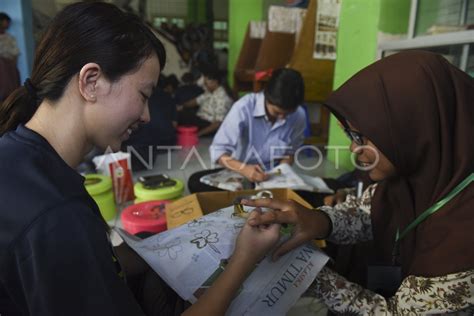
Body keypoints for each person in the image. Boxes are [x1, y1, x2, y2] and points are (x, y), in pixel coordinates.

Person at [0, 3, 280, 315]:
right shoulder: (57, 216)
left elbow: (77, 265)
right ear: (91, 82)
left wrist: (170, 245)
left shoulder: (16, 155)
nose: (147, 116)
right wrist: (242, 260)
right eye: (144, 95)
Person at [242, 51, 474, 314]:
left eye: (362, 137)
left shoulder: (465, 236)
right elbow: (367, 212)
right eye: (351, 135)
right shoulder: (418, 174)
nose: (353, 148)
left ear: (414, 128)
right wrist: (318, 220)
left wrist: (307, 272)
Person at [187, 68, 306, 193]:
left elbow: (290, 153)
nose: (282, 118)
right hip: (241, 170)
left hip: (272, 177)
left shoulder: (299, 115)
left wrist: (279, 173)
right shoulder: (244, 107)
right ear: (267, 97)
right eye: (277, 112)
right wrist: (244, 169)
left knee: (314, 193)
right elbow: (218, 152)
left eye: (288, 114)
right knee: (195, 182)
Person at [177, 67, 233, 136]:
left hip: (210, 126)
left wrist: (198, 134)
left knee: (182, 116)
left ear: (215, 82)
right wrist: (181, 106)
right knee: (179, 112)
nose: (205, 86)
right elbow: (195, 101)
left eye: (206, 84)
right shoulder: (209, 92)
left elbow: (217, 124)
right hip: (200, 119)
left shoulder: (222, 98)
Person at [0, 12, 20, 102]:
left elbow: (15, 52)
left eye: (8, 22)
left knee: (12, 87)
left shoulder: (10, 37)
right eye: (5, 21)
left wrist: (13, 64)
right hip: (1, 66)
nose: (7, 24)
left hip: (10, 65)